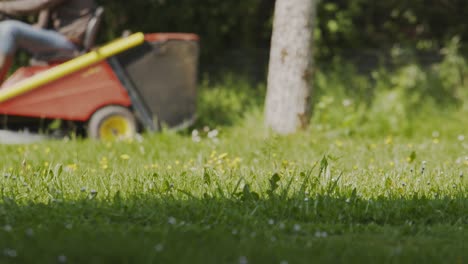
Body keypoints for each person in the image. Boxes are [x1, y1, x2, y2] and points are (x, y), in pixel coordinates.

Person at [0, 0, 96, 83]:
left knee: (10, 29)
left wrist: (3, 6)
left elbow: (37, 3)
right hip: (60, 40)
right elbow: (41, 27)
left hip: (70, 44)